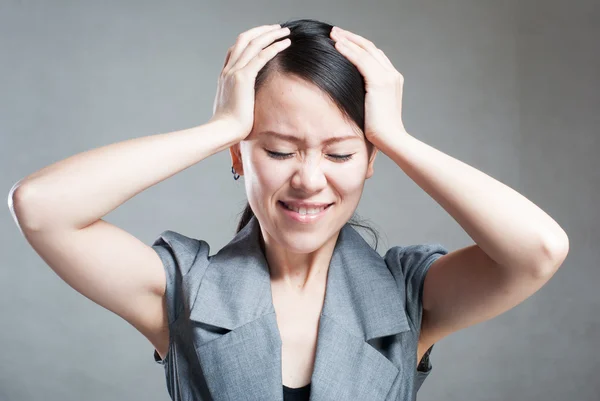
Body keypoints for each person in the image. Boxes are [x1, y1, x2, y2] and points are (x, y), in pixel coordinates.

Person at [9, 18, 569, 401]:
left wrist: (396, 136)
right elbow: (40, 208)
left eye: (341, 152)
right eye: (278, 150)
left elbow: (538, 250)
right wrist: (220, 126)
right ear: (239, 157)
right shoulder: (183, 291)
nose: (308, 179)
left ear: (371, 159)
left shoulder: (408, 297)